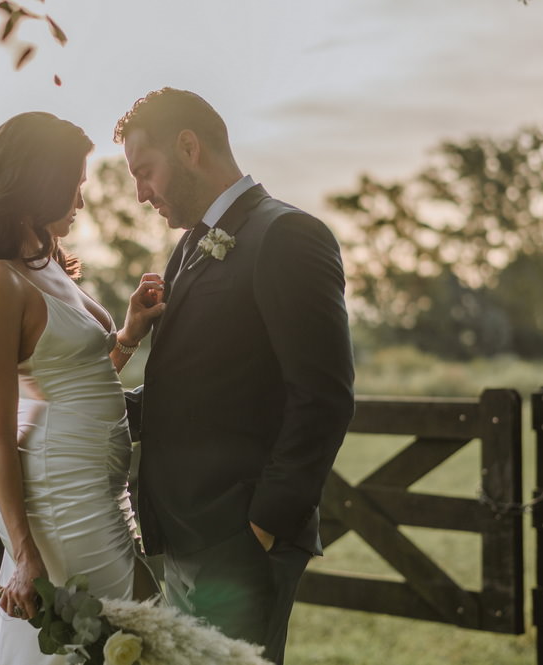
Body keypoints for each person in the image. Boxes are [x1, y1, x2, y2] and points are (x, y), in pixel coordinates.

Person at [113, 88, 356, 665]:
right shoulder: (189, 246)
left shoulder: (288, 236)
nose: (141, 194)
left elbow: (323, 396)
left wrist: (264, 526)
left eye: (145, 172)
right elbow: (202, 387)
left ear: (189, 147)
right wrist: (83, 408)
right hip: (182, 536)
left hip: (239, 541)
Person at [0, 111, 164, 665]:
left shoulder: (49, 267)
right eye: (75, 185)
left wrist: (128, 333)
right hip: (61, 504)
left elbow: (75, 384)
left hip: (102, 494)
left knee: (131, 640)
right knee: (122, 641)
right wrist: (23, 553)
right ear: (37, 181)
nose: (81, 202)